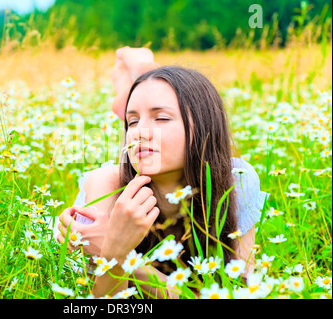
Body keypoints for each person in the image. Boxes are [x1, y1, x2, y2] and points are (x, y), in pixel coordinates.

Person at [55, 47, 268, 298]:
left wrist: (117, 253)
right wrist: (114, 255)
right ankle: (140, 81)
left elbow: (240, 292)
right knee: (149, 96)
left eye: (162, 118)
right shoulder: (107, 185)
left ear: (203, 127)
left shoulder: (235, 180)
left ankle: (141, 74)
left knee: (150, 94)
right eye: (131, 122)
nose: (138, 133)